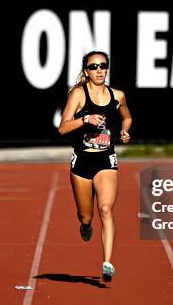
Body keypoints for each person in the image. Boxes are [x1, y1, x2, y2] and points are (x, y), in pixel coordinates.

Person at [57, 51, 132, 282]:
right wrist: (85, 120)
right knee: (86, 216)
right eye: (94, 66)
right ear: (86, 71)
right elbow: (62, 128)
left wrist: (124, 130)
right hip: (82, 161)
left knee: (106, 209)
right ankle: (85, 225)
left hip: (106, 160)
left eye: (103, 66)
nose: (99, 70)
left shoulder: (117, 95)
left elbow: (127, 117)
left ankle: (107, 262)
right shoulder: (78, 94)